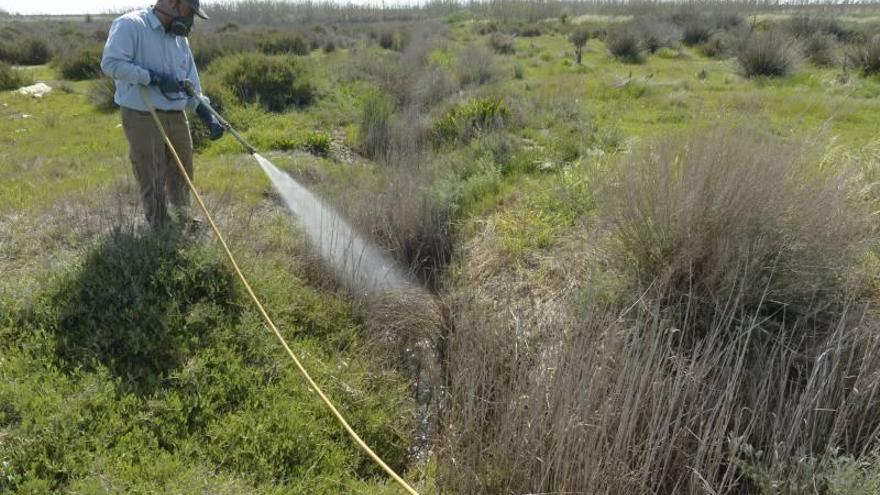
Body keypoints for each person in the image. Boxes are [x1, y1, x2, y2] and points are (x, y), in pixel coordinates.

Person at [101, 0, 224, 229]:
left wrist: (206, 113)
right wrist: (153, 78)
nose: (191, 20)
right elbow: (111, 64)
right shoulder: (130, 25)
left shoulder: (180, 39)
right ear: (171, 3)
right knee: (151, 172)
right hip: (142, 114)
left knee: (182, 171)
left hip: (177, 115)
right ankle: (159, 225)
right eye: (190, 12)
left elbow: (191, 84)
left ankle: (183, 218)